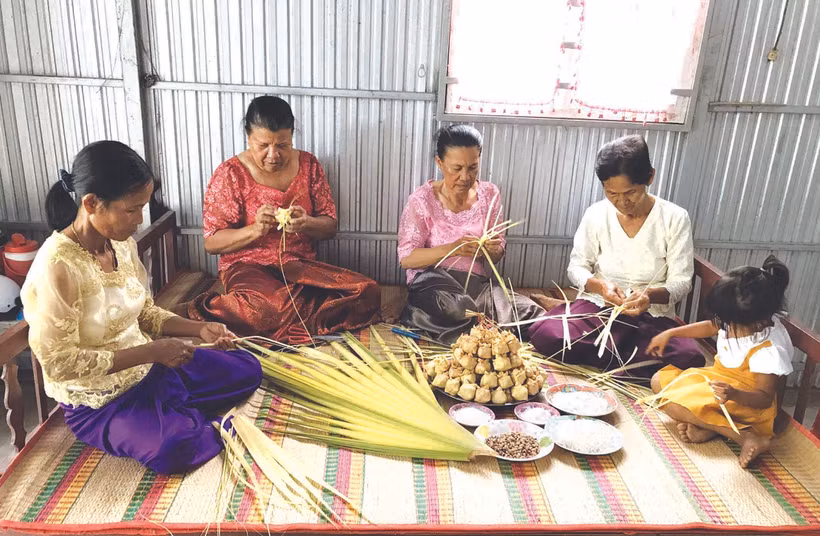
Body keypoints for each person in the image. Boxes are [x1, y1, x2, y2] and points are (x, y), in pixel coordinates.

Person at [22, 141, 262, 474]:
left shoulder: (121, 244)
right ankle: (178, 421)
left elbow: (145, 313)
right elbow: (60, 364)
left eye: (143, 207)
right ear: (91, 203)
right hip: (102, 403)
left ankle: (176, 414)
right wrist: (153, 353)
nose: (140, 219)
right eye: (132, 209)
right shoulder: (57, 266)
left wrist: (199, 329)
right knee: (174, 449)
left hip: (151, 370)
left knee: (247, 368)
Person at [188, 96, 380, 344]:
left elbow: (329, 226)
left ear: (292, 137)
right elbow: (212, 243)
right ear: (248, 137)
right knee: (265, 310)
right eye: (263, 145)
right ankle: (206, 307)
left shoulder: (309, 165)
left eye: (283, 145)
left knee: (367, 292)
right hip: (248, 267)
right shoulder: (231, 173)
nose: (273, 155)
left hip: (296, 267)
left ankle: (285, 316)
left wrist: (307, 223)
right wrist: (255, 230)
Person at [529, 134, 704, 377]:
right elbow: (576, 268)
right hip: (599, 311)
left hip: (650, 319)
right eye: (611, 193)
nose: (622, 202)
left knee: (687, 358)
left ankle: (607, 357)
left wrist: (649, 296)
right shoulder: (596, 214)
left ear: (650, 177)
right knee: (546, 334)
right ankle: (625, 365)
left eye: (631, 192)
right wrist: (601, 287)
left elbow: (682, 282)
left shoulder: (674, 218)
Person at [397, 125, 544, 343]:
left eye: (473, 167)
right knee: (458, 308)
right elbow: (407, 259)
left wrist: (493, 250)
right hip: (436, 283)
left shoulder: (490, 194)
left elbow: (496, 256)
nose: (465, 177)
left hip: (477, 285)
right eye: (456, 168)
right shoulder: (422, 200)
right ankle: (486, 335)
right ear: (439, 163)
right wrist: (452, 248)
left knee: (531, 316)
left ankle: (484, 331)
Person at [647, 255, 794, 468]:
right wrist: (670, 333)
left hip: (747, 402)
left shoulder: (769, 349)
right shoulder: (740, 318)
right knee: (658, 380)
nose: (724, 326)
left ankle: (745, 437)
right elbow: (710, 326)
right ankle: (710, 426)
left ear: (758, 321)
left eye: (729, 323)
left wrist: (733, 394)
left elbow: (763, 399)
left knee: (671, 403)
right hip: (720, 383)